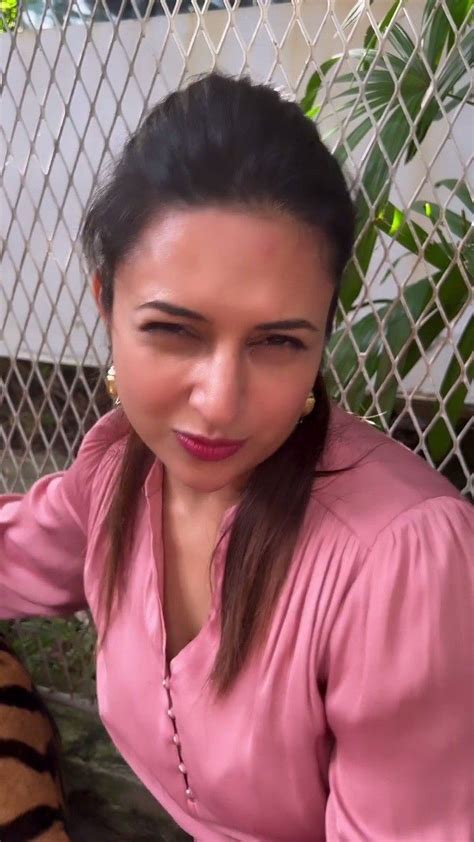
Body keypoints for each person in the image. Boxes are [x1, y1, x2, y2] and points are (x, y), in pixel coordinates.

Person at [1, 72, 473, 841]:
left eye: (279, 341)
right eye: (175, 330)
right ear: (105, 305)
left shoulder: (401, 563)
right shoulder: (116, 474)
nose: (221, 401)